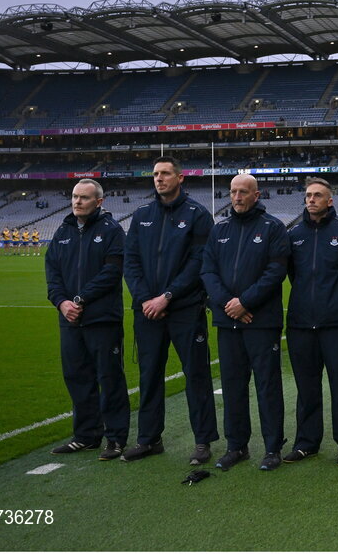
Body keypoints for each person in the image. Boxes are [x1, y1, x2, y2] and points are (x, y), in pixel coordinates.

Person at [122, 156, 218, 464]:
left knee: (196, 375)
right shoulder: (141, 215)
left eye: (165, 173)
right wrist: (145, 298)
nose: (159, 178)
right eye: (155, 174)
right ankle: (149, 439)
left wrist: (167, 296)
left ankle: (203, 441)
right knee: (149, 376)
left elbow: (199, 262)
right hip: (147, 311)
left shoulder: (197, 215)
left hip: (185, 309)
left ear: (180, 178)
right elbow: (130, 261)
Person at [201, 174, 290, 472]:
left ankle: (272, 448)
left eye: (243, 192)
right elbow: (208, 271)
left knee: (267, 386)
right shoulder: (220, 229)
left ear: (256, 195)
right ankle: (236, 446)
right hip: (228, 322)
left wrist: (246, 303)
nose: (237, 197)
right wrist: (230, 305)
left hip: (262, 322)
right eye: (233, 192)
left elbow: (275, 271)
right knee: (232, 386)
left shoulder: (273, 227)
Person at [45, 179, 129, 460]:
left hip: (102, 319)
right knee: (77, 377)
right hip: (69, 319)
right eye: (74, 196)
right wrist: (62, 302)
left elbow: (112, 272)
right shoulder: (63, 231)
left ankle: (115, 438)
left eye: (84, 197)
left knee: (110, 377)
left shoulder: (112, 231)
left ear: (99, 202)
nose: (77, 201)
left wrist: (80, 299)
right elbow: (52, 273)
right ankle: (86, 436)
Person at [284, 177, 338, 466]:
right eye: (308, 195)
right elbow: (292, 274)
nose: (311, 199)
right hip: (301, 324)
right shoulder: (294, 234)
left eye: (317, 195)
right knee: (307, 387)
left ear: (330, 200)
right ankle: (307, 443)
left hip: (336, 324)